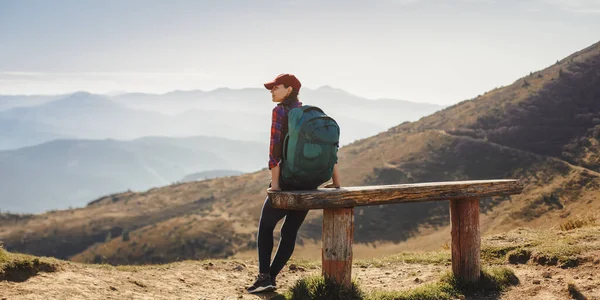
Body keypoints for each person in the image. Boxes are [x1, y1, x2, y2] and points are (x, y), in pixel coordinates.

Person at [246, 73, 341, 294]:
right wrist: (336, 183)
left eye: (276, 87)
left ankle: (264, 277)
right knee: (289, 232)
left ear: (289, 89)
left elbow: (275, 149)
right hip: (310, 182)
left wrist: (276, 185)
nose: (272, 91)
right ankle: (271, 277)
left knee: (266, 227)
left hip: (288, 181)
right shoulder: (310, 114)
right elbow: (332, 151)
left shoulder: (280, 112)